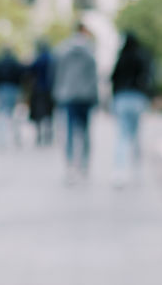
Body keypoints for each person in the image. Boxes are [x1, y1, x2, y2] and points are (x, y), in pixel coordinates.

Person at [52, 22, 99, 182]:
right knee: (85, 132)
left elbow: (59, 73)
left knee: (70, 131)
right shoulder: (90, 49)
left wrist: (59, 92)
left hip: (69, 95)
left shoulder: (64, 49)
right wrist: (95, 96)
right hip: (85, 96)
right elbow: (94, 76)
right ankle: (84, 164)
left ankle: (70, 165)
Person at [110, 31, 154, 187]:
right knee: (135, 136)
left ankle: (120, 172)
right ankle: (137, 171)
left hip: (122, 99)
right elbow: (148, 78)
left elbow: (113, 78)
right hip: (137, 99)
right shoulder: (142, 56)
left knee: (122, 136)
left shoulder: (122, 57)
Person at [0, 48, 24, 150]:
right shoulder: (15, 62)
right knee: (13, 114)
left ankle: (1, 140)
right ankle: (16, 137)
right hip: (13, 89)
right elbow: (20, 76)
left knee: (1, 114)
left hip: (1, 89)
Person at [26, 39, 55, 146]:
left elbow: (30, 70)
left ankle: (39, 134)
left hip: (38, 90)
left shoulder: (38, 59)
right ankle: (48, 132)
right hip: (49, 90)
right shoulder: (52, 59)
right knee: (48, 112)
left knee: (38, 113)